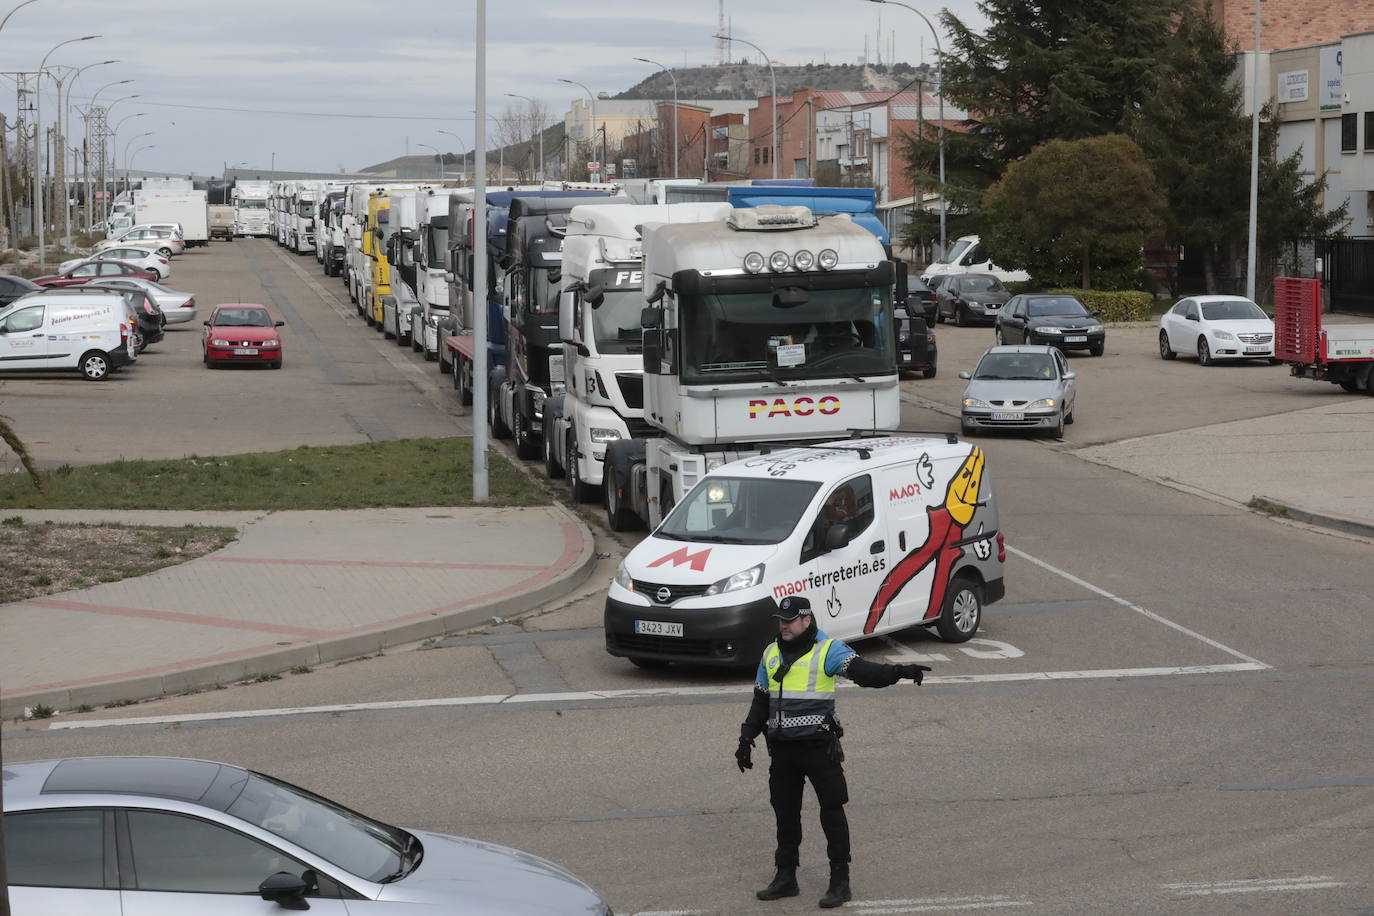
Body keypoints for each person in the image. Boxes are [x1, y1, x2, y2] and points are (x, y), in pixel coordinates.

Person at [734, 595, 931, 908]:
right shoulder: (771, 654)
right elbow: (761, 701)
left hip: (818, 748)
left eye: (790, 620)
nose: (783, 625)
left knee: (832, 811)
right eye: (780, 620)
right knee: (785, 815)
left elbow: (864, 672)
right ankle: (786, 876)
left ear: (806, 620)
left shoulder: (827, 650)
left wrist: (898, 672)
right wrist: (746, 738)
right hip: (782, 751)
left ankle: (840, 881)